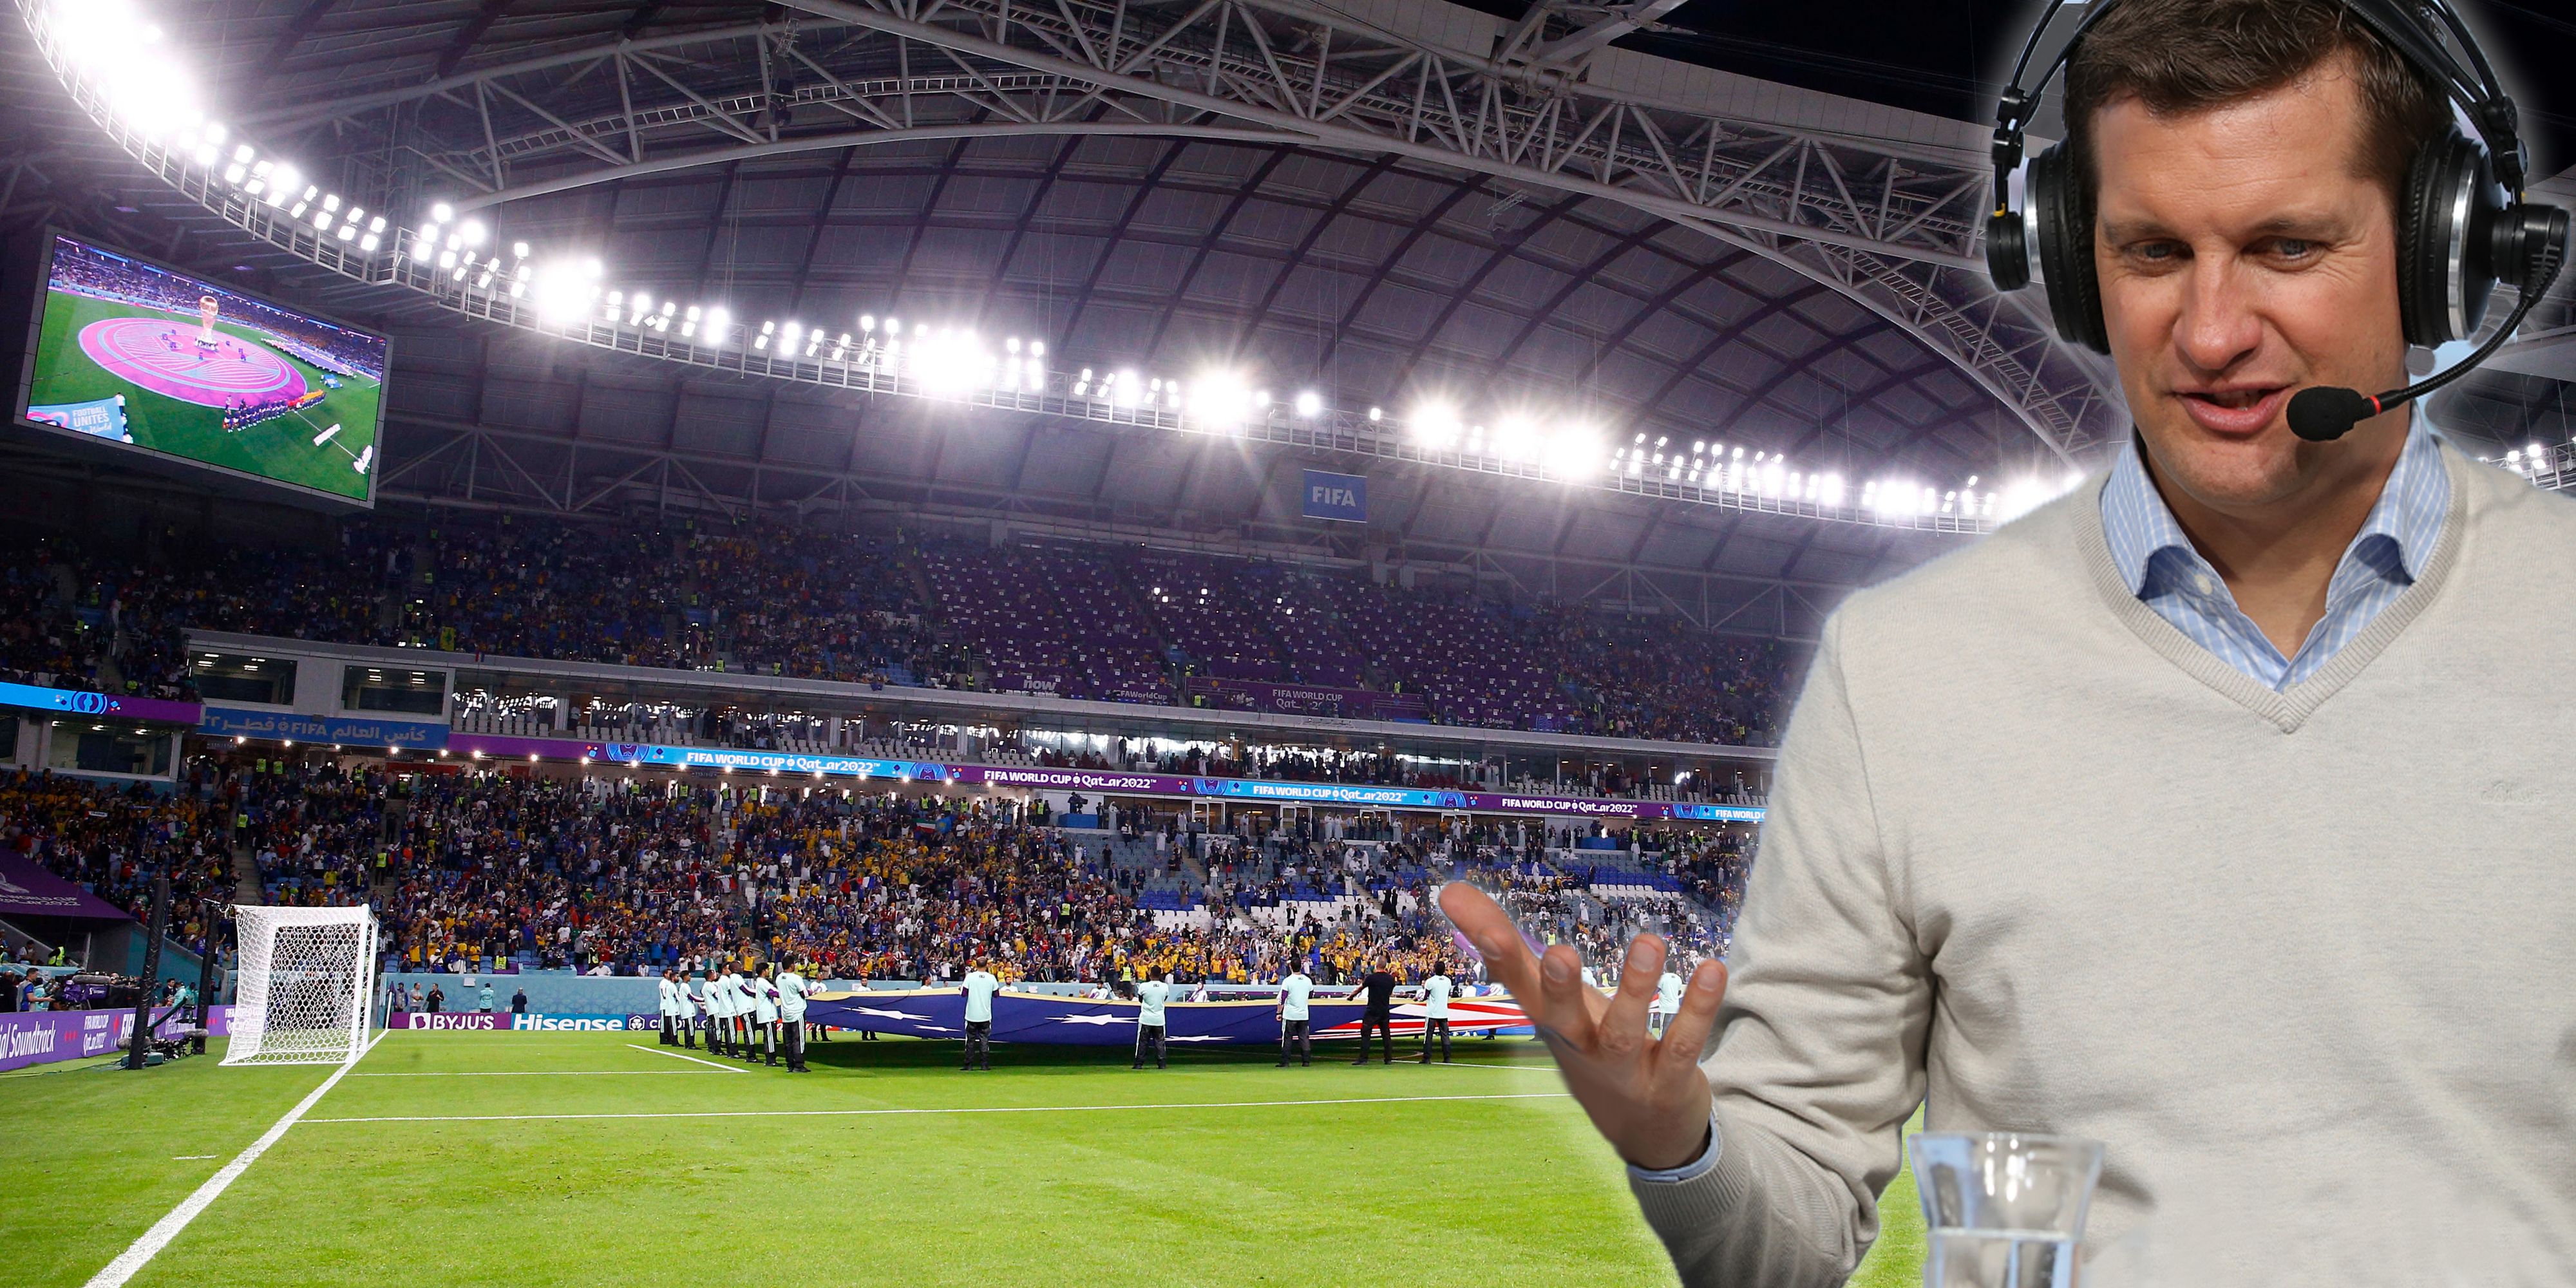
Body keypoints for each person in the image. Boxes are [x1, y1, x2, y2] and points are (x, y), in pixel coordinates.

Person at [1437, 1, 2576, 1282]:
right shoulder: (1902, 669)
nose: (2207, 332)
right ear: (2071, 263)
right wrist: (1678, 1147)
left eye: (2284, 246)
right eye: (2148, 251)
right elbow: (1790, 1232)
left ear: (2440, 253)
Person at [1349, 960, 1396, 1066]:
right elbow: (1390, 992)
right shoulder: (1390, 979)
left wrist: (1351, 996)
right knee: (1386, 1035)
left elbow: (1360, 988)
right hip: (1384, 1009)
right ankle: (1388, 1059)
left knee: (1366, 1033)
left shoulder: (1372, 978)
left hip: (1373, 1010)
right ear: (1385, 966)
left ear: (1377, 965)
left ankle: (1363, 1059)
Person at [960, 960, 1000, 1072]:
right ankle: (984, 1065)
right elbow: (996, 995)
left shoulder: (970, 977)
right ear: (987, 965)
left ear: (976, 965)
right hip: (985, 1015)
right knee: (984, 1040)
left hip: (972, 1014)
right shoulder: (991, 978)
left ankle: (968, 1065)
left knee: (970, 1040)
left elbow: (963, 994)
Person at [1274, 964, 1312, 1068]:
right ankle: (1306, 1061)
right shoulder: (1307, 980)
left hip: (1290, 1014)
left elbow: (1282, 998)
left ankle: (1285, 1061)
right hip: (1303, 1014)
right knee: (1304, 1037)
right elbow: (1311, 994)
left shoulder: (1288, 981)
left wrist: (1279, 1012)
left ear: (1291, 967)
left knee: (1287, 1037)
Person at [776, 960, 810, 1073]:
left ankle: (790, 1064)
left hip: (786, 1013)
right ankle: (799, 1065)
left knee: (788, 1041)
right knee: (798, 1040)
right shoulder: (796, 978)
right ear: (791, 965)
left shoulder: (779, 978)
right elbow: (804, 994)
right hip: (797, 1012)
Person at [1417, 964, 1454, 1065]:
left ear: (1434, 969)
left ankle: (1427, 1058)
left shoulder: (1430, 982)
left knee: (1429, 1035)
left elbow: (1425, 996)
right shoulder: (1448, 981)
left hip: (1432, 1012)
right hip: (1443, 1012)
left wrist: (1418, 999)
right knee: (1445, 1035)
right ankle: (1447, 1057)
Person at [1132, 974, 1169, 1070]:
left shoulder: (1144, 986)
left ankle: (1139, 1063)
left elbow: (1141, 999)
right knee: (1160, 1042)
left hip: (1146, 1018)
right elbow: (1164, 998)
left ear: (1150, 975)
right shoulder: (1165, 986)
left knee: (1143, 1042)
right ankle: (1162, 1063)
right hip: (1159, 1019)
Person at [749, 965, 781, 1066]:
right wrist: (785, 992)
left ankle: (770, 1058)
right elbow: (773, 992)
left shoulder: (760, 982)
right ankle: (771, 1059)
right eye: (767, 970)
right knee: (770, 1036)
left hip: (765, 1013)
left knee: (768, 1036)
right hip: (768, 1014)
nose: (768, 971)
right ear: (763, 971)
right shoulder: (763, 982)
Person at [1647, 963, 1683, 1040]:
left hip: (1665, 1008)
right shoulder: (1678, 978)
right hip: (1675, 1008)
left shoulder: (1663, 978)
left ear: (1667, 968)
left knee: (1663, 1030)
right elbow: (1679, 992)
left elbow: (1656, 990)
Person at [657, 970, 683, 1046]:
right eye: (669, 973)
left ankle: (669, 1038)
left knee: (669, 1023)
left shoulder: (670, 984)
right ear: (665, 974)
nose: (670, 974)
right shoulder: (663, 983)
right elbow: (664, 994)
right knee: (664, 1023)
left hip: (670, 1006)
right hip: (665, 1006)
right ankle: (663, 1038)